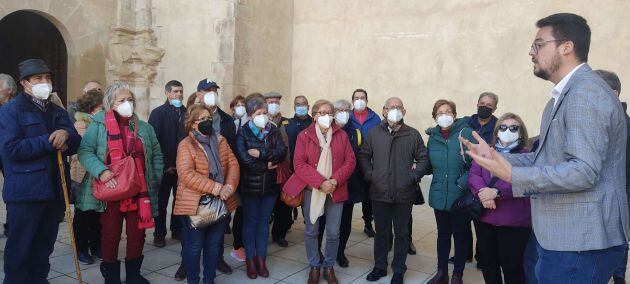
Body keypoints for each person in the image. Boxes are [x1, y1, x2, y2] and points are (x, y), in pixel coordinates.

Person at [462, 13, 630, 283]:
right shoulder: (562, 97)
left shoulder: (584, 94)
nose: (531, 51)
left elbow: (583, 171)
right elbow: (546, 158)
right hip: (561, 237)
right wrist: (492, 156)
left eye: (539, 44)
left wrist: (512, 176)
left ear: (566, 47)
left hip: (580, 241)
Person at [0, 59, 81, 283]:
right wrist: (49, 141)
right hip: (26, 193)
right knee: (20, 250)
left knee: (44, 248)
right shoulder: (10, 111)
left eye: (47, 77)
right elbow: (11, 148)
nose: (44, 82)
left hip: (55, 191)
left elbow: (75, 140)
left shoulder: (57, 110)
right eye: (38, 78)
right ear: (25, 83)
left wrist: (66, 136)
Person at [78, 82, 163, 284]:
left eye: (130, 100)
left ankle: (134, 275)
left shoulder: (145, 127)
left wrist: (154, 178)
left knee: (137, 235)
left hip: (138, 191)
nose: (127, 104)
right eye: (122, 100)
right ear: (110, 104)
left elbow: (157, 155)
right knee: (110, 235)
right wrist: (102, 172)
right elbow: (85, 151)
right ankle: (112, 277)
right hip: (111, 191)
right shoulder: (98, 125)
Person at [359, 97, 429, 284]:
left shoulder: (412, 135)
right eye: (391, 107)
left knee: (402, 234)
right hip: (379, 191)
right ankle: (380, 267)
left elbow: (423, 158)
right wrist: (371, 175)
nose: (395, 111)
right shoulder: (374, 133)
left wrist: (413, 177)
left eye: (399, 107)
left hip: (404, 193)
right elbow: (364, 156)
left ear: (404, 112)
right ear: (383, 111)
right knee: (381, 232)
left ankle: (399, 269)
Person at [284, 99, 356, 284]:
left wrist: (334, 180)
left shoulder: (341, 135)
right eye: (323, 113)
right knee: (311, 231)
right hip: (312, 190)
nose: (327, 116)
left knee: (333, 232)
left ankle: (329, 266)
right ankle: (315, 266)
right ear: (315, 115)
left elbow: (350, 161)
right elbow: (299, 164)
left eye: (330, 113)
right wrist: (320, 182)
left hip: (335, 190)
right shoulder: (304, 136)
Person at [174, 104, 240, 284]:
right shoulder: (186, 144)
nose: (207, 121)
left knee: (213, 246)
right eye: (201, 119)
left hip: (220, 202)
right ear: (192, 123)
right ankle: (193, 280)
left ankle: (209, 280)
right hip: (195, 204)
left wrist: (229, 186)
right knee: (194, 247)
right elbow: (186, 174)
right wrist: (217, 188)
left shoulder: (220, 140)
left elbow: (233, 165)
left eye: (208, 118)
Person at [468, 113, 532, 284]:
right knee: (489, 265)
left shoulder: (527, 156)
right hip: (485, 218)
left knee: (512, 267)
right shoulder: (487, 151)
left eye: (513, 128)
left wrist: (496, 192)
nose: (507, 131)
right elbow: (474, 174)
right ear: (497, 131)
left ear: (521, 132)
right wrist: (483, 192)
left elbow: (526, 181)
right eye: (503, 127)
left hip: (514, 223)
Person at [234, 94, 286, 279]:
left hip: (270, 187)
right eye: (259, 112)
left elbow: (281, 152)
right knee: (250, 223)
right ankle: (250, 260)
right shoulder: (243, 132)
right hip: (250, 187)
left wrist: (260, 153)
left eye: (264, 112)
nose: (263, 115)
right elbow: (244, 159)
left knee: (263, 223)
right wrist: (266, 165)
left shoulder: (273, 130)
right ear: (250, 115)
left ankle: (261, 260)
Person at [425, 99, 475, 284]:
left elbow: (478, 163)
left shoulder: (466, 133)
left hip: (460, 196)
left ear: (454, 114)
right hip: (439, 195)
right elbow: (430, 165)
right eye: (439, 113)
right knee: (443, 235)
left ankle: (457, 275)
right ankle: (442, 272)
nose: (444, 115)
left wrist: (461, 184)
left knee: (461, 236)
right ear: (434, 117)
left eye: (448, 112)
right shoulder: (433, 138)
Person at [193, 78, 237, 273]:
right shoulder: (189, 118)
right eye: (207, 90)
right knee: (193, 230)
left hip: (221, 183)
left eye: (214, 90)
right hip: (196, 182)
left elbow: (232, 154)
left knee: (218, 226)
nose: (212, 93)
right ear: (199, 94)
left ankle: (217, 259)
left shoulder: (227, 121)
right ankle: (187, 264)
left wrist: (229, 183)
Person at [593, 69, 628, 284]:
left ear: (614, 94)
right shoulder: (592, 125)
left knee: (616, 248)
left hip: (621, 201)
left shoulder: (626, 126)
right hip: (595, 204)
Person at [460, 91, 500, 266]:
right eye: (482, 103)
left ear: (495, 108)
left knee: (481, 217)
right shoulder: (465, 122)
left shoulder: (499, 127)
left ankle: (481, 256)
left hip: (485, 177)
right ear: (477, 104)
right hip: (463, 175)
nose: (484, 107)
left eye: (489, 105)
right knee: (463, 218)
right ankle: (465, 253)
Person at [148, 80, 187, 248]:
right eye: (175, 91)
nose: (178, 94)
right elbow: (153, 141)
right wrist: (165, 165)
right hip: (164, 167)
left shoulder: (188, 113)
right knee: (161, 202)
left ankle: (177, 229)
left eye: (180, 91)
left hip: (183, 167)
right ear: (167, 93)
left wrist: (181, 165)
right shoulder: (158, 113)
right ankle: (159, 233)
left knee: (180, 200)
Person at [272, 95, 312, 247]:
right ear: (294, 107)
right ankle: (279, 234)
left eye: (304, 104)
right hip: (291, 170)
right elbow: (282, 148)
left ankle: (311, 231)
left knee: (309, 206)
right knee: (284, 205)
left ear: (308, 106)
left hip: (309, 172)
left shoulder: (314, 123)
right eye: (298, 104)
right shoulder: (286, 125)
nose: (301, 106)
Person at [70, 90, 105, 265]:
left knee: (98, 214)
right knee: (83, 215)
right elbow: (87, 148)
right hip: (83, 176)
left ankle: (96, 245)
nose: (104, 110)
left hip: (98, 176)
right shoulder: (81, 124)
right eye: (101, 107)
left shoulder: (101, 122)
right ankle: (81, 248)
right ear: (92, 109)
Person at [330, 99, 364, 268]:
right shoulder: (325, 129)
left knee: (345, 221)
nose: (343, 112)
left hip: (348, 184)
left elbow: (358, 158)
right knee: (324, 221)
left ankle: (340, 252)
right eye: (339, 109)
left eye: (346, 110)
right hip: (327, 184)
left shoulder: (356, 133)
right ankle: (323, 251)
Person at [349, 88, 381, 238]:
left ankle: (368, 223)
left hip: (370, 162)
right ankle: (344, 224)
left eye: (362, 98)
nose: (359, 100)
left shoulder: (375, 119)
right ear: (352, 101)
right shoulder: (346, 117)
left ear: (367, 101)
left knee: (369, 196)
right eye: (356, 98)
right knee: (350, 194)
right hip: (351, 163)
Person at [227, 94, 248, 262]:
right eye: (237, 105)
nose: (240, 107)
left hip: (247, 174)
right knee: (236, 209)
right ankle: (237, 244)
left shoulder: (251, 123)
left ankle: (241, 244)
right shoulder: (230, 124)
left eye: (243, 104)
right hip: (233, 172)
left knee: (243, 211)